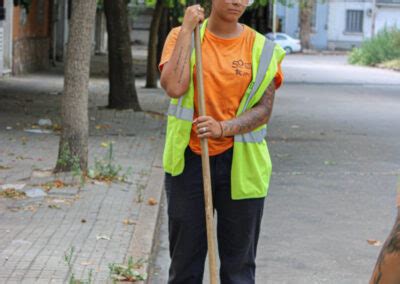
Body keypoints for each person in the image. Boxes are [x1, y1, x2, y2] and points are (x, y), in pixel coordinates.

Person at [159, 0, 285, 283]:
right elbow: (174, 87)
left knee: (239, 268)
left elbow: (264, 111)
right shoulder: (183, 36)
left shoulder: (262, 48)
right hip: (188, 162)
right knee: (184, 264)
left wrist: (222, 128)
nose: (238, 1)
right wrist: (188, 28)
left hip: (242, 168)